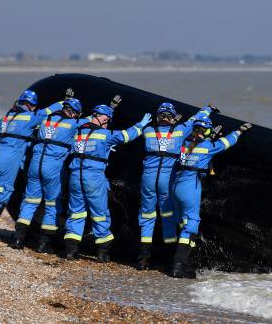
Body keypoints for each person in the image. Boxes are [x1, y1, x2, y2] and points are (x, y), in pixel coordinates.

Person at [0, 89, 65, 241]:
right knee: (3, 192)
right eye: (34, 106)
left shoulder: (8, 116)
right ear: (30, 104)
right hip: (8, 157)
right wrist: (64, 102)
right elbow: (47, 111)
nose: (35, 108)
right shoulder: (30, 117)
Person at [63, 105, 152, 262]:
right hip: (94, 177)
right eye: (106, 120)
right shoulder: (104, 135)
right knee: (100, 213)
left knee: (76, 212)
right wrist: (140, 125)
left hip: (76, 176)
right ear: (102, 118)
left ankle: (71, 250)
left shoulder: (77, 132)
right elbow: (125, 136)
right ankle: (103, 251)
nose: (106, 124)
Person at [136, 102, 216, 269]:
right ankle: (169, 254)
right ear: (172, 118)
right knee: (169, 216)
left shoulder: (148, 131)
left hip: (148, 179)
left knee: (147, 217)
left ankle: (143, 258)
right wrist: (209, 109)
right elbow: (197, 119)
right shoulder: (180, 130)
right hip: (168, 179)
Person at [170, 116, 252, 278]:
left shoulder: (183, 144)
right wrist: (238, 131)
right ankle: (177, 265)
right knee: (192, 224)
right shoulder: (207, 146)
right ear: (206, 131)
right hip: (190, 188)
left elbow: (194, 148)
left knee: (183, 223)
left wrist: (210, 137)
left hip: (176, 186)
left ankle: (186, 264)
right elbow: (225, 143)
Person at [9, 98, 87, 252]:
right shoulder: (72, 124)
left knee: (30, 201)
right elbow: (88, 125)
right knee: (52, 204)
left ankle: (18, 239)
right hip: (52, 168)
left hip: (34, 165)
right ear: (73, 112)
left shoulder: (45, 119)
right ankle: (44, 243)